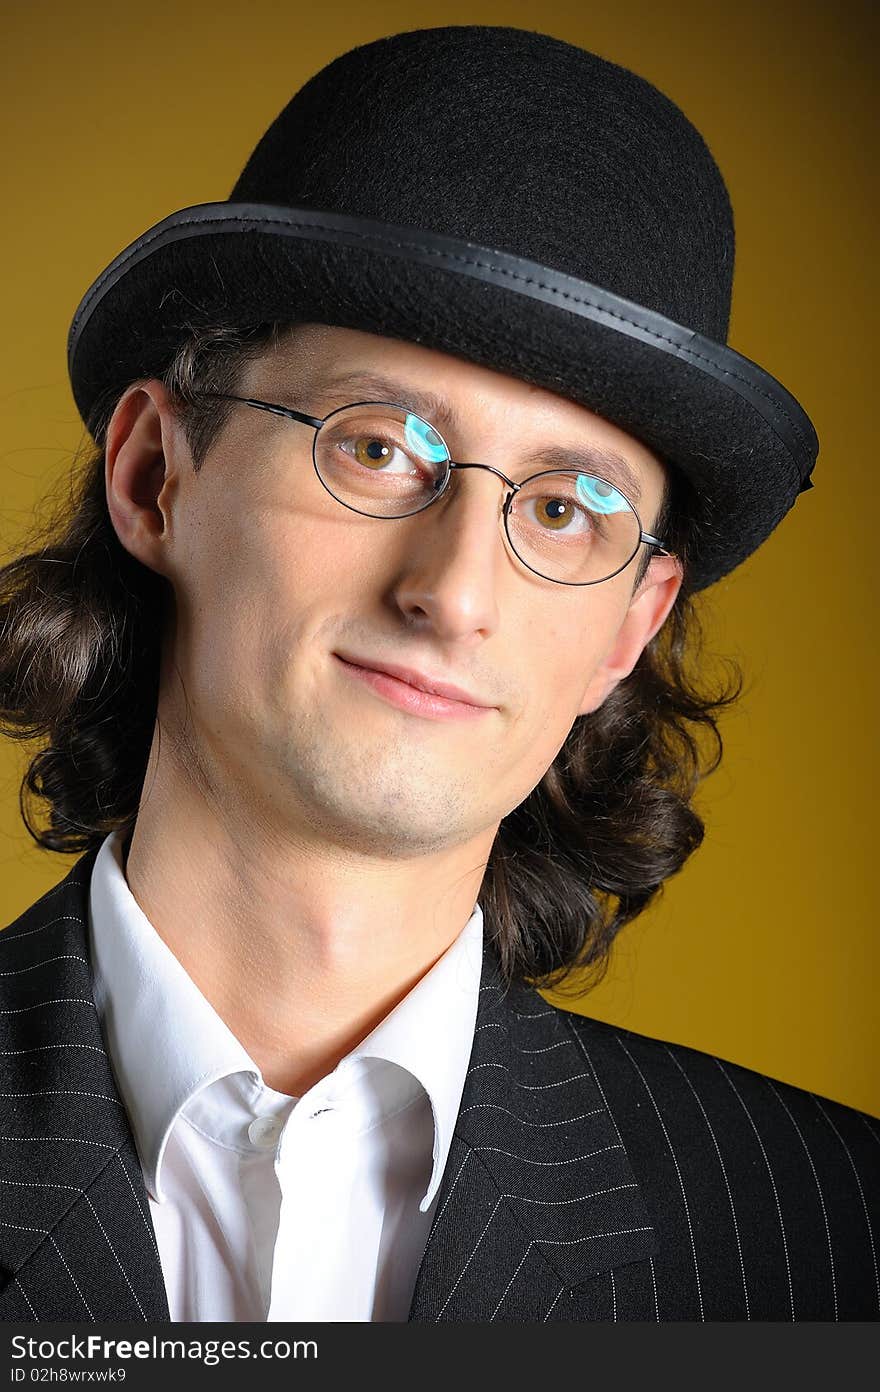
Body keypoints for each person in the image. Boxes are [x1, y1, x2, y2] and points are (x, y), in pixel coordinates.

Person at [0, 25, 877, 1325]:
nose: (453, 592)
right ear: (154, 476)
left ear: (633, 627)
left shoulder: (832, 1236)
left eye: (568, 508)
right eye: (376, 449)